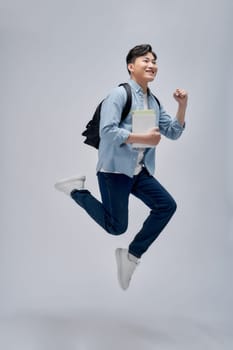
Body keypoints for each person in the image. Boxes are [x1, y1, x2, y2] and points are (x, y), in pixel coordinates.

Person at [55, 44, 188, 291]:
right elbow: (107, 131)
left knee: (166, 206)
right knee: (117, 227)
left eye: (154, 61)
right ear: (131, 66)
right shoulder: (118, 94)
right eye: (145, 60)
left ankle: (131, 255)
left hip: (139, 171)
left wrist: (182, 105)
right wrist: (142, 139)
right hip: (114, 171)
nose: (151, 64)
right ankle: (76, 190)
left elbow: (174, 132)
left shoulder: (154, 101)